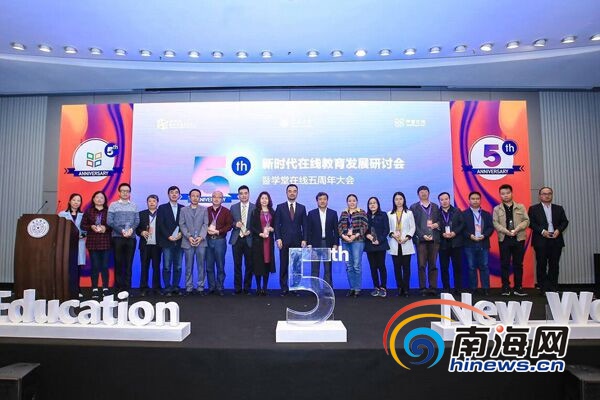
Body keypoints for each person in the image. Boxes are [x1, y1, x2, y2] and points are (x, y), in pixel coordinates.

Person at [528, 186, 569, 293]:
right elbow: (531, 223)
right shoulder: (533, 209)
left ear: (552, 195)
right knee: (541, 264)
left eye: (549, 193)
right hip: (540, 240)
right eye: (544, 194)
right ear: (540, 196)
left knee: (554, 265)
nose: (547, 196)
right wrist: (542, 231)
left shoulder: (558, 208)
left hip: (556, 239)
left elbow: (565, 222)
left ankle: (553, 287)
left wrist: (558, 230)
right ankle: (543, 288)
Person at [492, 184, 530, 296]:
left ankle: (518, 287)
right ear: (500, 195)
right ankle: (505, 287)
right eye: (503, 194)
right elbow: (495, 223)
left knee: (518, 264)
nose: (506, 195)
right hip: (504, 239)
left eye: (508, 193)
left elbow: (526, 221)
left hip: (518, 238)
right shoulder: (497, 209)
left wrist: (517, 229)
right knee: (505, 264)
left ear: (512, 193)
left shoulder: (520, 207)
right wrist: (505, 231)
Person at [274, 184, 307, 296]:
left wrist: (304, 239)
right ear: (286, 193)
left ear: (297, 193)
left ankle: (295, 287)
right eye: (290, 191)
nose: (292, 193)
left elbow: (305, 225)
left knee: (296, 266)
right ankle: (284, 288)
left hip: (298, 241)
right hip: (283, 241)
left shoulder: (302, 208)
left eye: (294, 191)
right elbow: (276, 224)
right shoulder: (280, 207)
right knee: (284, 265)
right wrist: (278, 238)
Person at [107, 183, 139, 293]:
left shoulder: (134, 205)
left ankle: (127, 288)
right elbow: (109, 221)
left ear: (130, 193)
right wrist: (121, 231)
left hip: (131, 237)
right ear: (119, 192)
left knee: (129, 263)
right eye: (123, 191)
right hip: (117, 238)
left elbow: (137, 221)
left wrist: (131, 230)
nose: (125, 193)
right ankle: (119, 288)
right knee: (118, 262)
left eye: (127, 191)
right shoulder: (113, 205)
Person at [410, 185, 441, 296]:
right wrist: (422, 235)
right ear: (418, 194)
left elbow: (441, 220)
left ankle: (433, 288)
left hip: (434, 240)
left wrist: (437, 224)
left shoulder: (435, 206)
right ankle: (422, 288)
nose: (423, 193)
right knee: (421, 265)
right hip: (421, 240)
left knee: (433, 265)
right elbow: (413, 224)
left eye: (425, 191)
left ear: (429, 193)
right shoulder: (414, 207)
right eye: (421, 192)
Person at [80, 191, 112, 300]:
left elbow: (113, 225)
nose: (99, 199)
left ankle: (105, 288)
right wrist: (91, 227)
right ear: (93, 199)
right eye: (97, 197)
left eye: (101, 197)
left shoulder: (108, 212)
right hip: (92, 242)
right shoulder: (88, 211)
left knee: (104, 266)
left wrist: (105, 228)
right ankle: (94, 288)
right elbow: (83, 225)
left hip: (105, 242)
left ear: (104, 200)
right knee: (95, 266)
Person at [462, 191, 494, 295]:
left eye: (477, 199)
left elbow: (490, 228)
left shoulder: (486, 214)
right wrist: (470, 236)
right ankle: (473, 288)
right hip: (469, 243)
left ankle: (486, 288)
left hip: (483, 242)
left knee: (484, 266)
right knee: (471, 267)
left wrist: (484, 235)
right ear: (469, 200)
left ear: (480, 200)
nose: (475, 201)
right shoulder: (464, 214)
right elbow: (462, 229)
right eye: (473, 199)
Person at [305, 192, 339, 288]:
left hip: (328, 243)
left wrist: (336, 244)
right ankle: (315, 289)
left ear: (327, 200)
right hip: (315, 244)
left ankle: (327, 289)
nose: (322, 201)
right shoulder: (311, 213)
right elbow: (308, 230)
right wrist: (309, 243)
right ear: (317, 201)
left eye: (324, 199)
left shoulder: (333, 213)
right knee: (315, 268)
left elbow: (336, 230)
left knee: (328, 268)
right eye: (320, 199)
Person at [179, 189, 209, 295]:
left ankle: (200, 287)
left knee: (201, 266)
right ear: (189, 197)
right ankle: (189, 287)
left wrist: (201, 237)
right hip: (188, 241)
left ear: (199, 198)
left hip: (201, 242)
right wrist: (189, 237)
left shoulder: (204, 210)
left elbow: (205, 224)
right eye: (193, 196)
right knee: (188, 266)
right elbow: (182, 224)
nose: (195, 198)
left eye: (197, 196)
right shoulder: (183, 210)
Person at [338, 194, 368, 297]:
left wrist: (355, 236)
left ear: (357, 202)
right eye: (350, 201)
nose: (352, 202)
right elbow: (339, 227)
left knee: (356, 265)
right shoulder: (343, 213)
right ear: (347, 202)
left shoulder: (362, 212)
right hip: (345, 241)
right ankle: (352, 288)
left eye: (354, 200)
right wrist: (343, 236)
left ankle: (357, 289)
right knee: (349, 266)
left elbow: (365, 226)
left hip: (358, 241)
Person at [387, 192, 416, 297]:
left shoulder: (409, 213)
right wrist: (394, 236)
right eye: (396, 199)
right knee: (397, 268)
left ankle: (406, 289)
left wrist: (407, 238)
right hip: (395, 243)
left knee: (406, 268)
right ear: (394, 201)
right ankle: (399, 288)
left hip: (406, 242)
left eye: (400, 199)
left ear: (404, 200)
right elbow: (388, 228)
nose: (398, 201)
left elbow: (413, 227)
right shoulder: (389, 214)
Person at [157, 186, 184, 297]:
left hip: (180, 241)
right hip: (167, 241)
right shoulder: (162, 208)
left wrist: (181, 233)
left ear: (179, 195)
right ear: (168, 195)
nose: (174, 194)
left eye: (176, 192)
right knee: (167, 266)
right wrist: (168, 236)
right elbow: (160, 224)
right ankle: (167, 287)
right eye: (171, 192)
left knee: (178, 266)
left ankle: (176, 287)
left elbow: (185, 224)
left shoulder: (183, 208)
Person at [58, 193, 86, 299]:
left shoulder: (83, 215)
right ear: (69, 201)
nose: (76, 202)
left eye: (78, 200)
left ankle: (77, 290)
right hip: (66, 244)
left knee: (77, 268)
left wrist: (82, 235)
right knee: (66, 267)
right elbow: (59, 228)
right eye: (74, 200)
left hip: (79, 243)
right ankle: (65, 288)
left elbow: (86, 230)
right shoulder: (62, 214)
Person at [205, 191, 233, 296]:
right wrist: (206, 230)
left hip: (220, 240)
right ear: (211, 198)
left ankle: (220, 287)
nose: (216, 199)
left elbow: (229, 225)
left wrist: (218, 231)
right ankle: (211, 287)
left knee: (220, 265)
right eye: (214, 197)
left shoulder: (226, 211)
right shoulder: (206, 210)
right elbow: (202, 223)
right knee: (209, 266)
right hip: (208, 240)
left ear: (222, 199)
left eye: (219, 197)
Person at [229, 185, 255, 295]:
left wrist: (250, 231)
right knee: (237, 265)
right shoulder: (233, 207)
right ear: (238, 195)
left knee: (249, 265)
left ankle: (247, 288)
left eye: (245, 193)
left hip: (249, 239)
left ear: (249, 194)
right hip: (237, 239)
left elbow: (257, 225)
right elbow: (229, 223)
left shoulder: (255, 207)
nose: (243, 195)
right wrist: (235, 224)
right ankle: (238, 288)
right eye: (241, 193)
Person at [438, 192, 465, 293]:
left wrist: (454, 232)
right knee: (444, 268)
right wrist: (442, 234)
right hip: (443, 244)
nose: (444, 201)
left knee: (457, 267)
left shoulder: (457, 211)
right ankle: (446, 288)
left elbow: (462, 224)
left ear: (449, 199)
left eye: (446, 199)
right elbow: (435, 227)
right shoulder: (437, 213)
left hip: (456, 243)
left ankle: (458, 288)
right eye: (442, 200)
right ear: (439, 201)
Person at [250, 191, 276, 296]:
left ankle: (265, 288)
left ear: (269, 200)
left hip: (268, 242)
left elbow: (276, 226)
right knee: (258, 264)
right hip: (258, 241)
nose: (264, 200)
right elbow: (252, 227)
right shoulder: (255, 212)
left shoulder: (272, 212)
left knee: (267, 264)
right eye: (262, 198)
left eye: (266, 198)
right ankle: (258, 288)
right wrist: (260, 234)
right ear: (259, 200)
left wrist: (272, 229)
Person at [136, 194, 162, 296]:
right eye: (150, 201)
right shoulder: (141, 214)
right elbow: (136, 228)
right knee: (144, 267)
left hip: (157, 245)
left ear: (157, 203)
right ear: (147, 203)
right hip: (145, 245)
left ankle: (157, 288)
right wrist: (141, 232)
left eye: (154, 201)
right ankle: (143, 288)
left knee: (156, 267)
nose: (152, 203)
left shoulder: (161, 214)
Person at [364, 196, 390, 297]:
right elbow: (363, 230)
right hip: (369, 244)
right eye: (370, 203)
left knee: (381, 266)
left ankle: (383, 287)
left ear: (378, 204)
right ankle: (376, 287)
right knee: (373, 267)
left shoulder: (383, 215)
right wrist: (368, 236)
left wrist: (379, 240)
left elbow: (386, 229)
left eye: (374, 203)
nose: (372, 205)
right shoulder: (366, 216)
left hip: (381, 244)